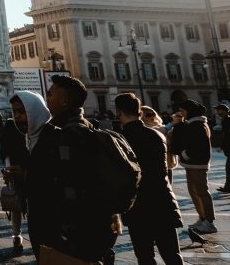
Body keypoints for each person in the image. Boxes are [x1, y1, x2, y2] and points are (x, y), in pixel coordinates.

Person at [25, 75, 119, 264]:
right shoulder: (91, 127)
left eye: (50, 95)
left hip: (67, 225)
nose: (47, 99)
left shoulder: (58, 134)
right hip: (94, 221)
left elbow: (51, 181)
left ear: (65, 101)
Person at [114, 93, 183, 264]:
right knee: (172, 254)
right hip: (162, 199)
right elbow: (163, 170)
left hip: (137, 205)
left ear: (119, 113)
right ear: (140, 113)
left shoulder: (119, 140)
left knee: (145, 257)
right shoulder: (156, 135)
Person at [1, 91, 49, 255]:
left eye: (22, 112)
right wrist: (9, 168)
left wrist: (26, 173)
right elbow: (5, 149)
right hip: (22, 183)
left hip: (49, 211)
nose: (18, 117)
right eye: (15, 112)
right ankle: (17, 235)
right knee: (16, 205)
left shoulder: (51, 135)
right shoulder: (18, 130)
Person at [169, 98, 214, 233]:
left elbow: (199, 146)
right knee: (195, 192)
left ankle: (209, 221)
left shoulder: (198, 125)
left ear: (190, 111)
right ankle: (203, 218)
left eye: (183, 111)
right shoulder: (192, 124)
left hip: (197, 164)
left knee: (201, 192)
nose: (181, 114)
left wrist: (187, 154)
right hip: (193, 163)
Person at [214, 103, 230, 193]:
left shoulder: (227, 121)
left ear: (223, 111)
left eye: (218, 110)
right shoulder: (225, 120)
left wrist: (222, 146)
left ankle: (228, 188)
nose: (217, 112)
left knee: (228, 168)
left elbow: (227, 136)